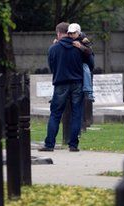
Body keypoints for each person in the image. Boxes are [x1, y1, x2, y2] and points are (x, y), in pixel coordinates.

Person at [40, 22, 95, 152]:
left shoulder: (53, 48)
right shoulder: (79, 46)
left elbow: (52, 66)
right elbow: (91, 64)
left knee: (55, 114)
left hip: (60, 84)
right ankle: (73, 145)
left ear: (59, 33)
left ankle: (49, 145)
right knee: (76, 114)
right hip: (77, 84)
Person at [67, 23, 95, 102]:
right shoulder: (68, 39)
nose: (71, 35)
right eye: (70, 33)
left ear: (78, 32)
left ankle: (89, 93)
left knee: (86, 70)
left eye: (73, 33)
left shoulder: (84, 40)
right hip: (72, 63)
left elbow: (90, 52)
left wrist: (80, 46)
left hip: (83, 62)